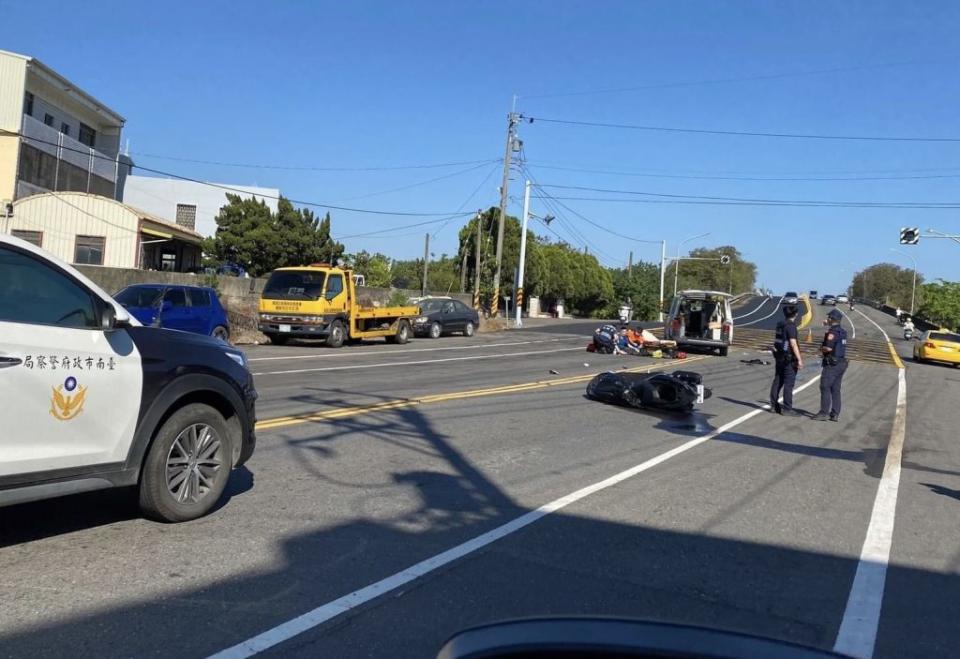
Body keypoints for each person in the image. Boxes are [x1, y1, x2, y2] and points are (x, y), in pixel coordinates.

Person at [812, 309, 848, 422]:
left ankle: (824, 413)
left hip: (832, 364)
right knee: (836, 389)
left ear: (832, 319)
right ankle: (835, 413)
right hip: (841, 363)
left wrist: (820, 349)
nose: (827, 319)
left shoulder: (832, 333)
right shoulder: (842, 332)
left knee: (825, 386)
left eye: (829, 318)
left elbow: (828, 348)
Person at [769, 305, 804, 415]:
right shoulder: (791, 326)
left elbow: (778, 340)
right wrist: (799, 359)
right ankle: (787, 408)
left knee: (777, 381)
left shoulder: (780, 324)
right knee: (789, 384)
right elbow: (793, 344)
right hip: (789, 358)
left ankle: (774, 406)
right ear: (796, 314)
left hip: (779, 356)